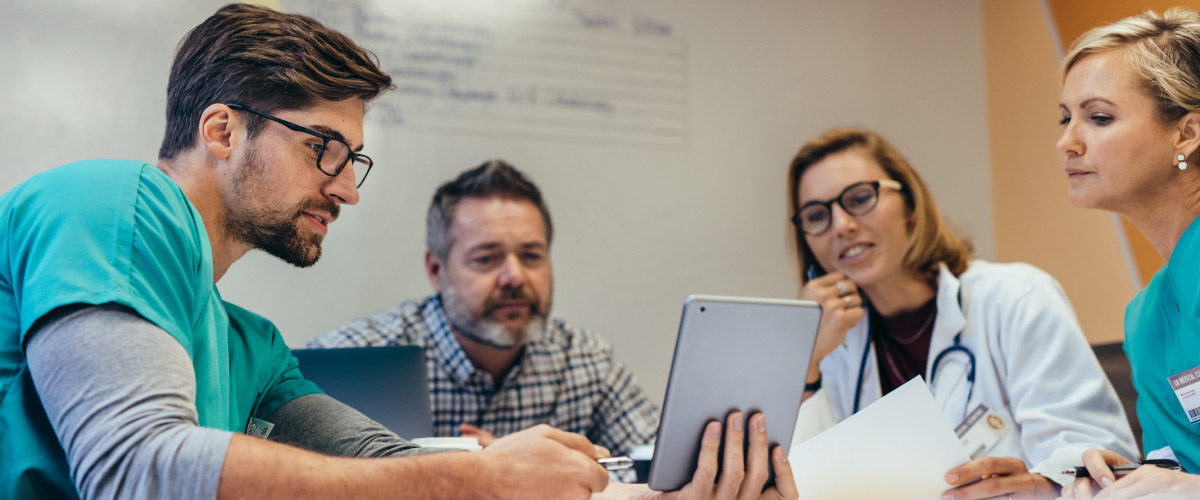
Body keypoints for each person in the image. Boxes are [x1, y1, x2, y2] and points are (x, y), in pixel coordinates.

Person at [0, 4, 796, 500]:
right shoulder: (111, 203)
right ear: (221, 131)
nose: (347, 191)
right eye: (324, 149)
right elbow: (136, 470)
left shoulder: (252, 347)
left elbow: (383, 464)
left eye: (355, 160)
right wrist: (476, 480)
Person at [787, 127, 1137, 500]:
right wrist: (806, 362)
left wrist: (1040, 485)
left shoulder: (1014, 298)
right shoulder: (830, 349)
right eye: (816, 215)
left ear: (910, 203)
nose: (841, 225)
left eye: (859, 198)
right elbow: (808, 487)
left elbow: (1095, 459)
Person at [308, 160, 659, 480]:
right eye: (487, 258)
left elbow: (660, 472)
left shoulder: (586, 360)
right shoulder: (350, 359)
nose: (515, 277)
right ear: (436, 270)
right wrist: (481, 473)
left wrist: (546, 472)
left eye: (531, 255)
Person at [1055, 8, 1200, 500]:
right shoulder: (1144, 319)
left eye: (1098, 117)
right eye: (1065, 117)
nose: (1066, 142)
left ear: (1187, 134)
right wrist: (1124, 478)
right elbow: (1178, 469)